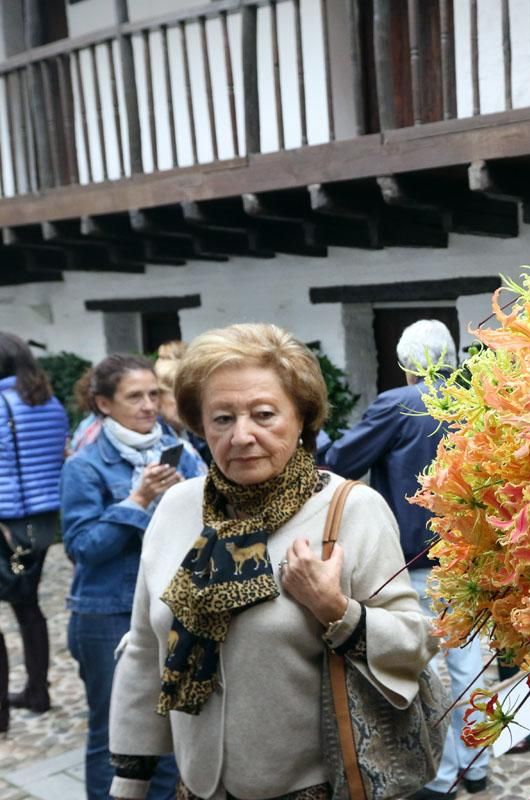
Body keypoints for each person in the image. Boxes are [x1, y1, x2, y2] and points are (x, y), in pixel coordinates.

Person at [108, 322, 437, 800]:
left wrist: (336, 610)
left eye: (264, 415)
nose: (242, 435)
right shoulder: (178, 507)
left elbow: (415, 642)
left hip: (310, 786)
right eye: (222, 418)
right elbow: (143, 649)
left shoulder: (353, 511)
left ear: (302, 417)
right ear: (201, 425)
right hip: (198, 787)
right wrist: (129, 781)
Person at [324, 319, 490, 799]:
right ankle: (475, 767)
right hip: (468, 552)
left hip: (416, 554)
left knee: (419, 662)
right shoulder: (471, 401)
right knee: (468, 664)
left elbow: (340, 462)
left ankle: (439, 778)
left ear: (404, 365)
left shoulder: (398, 404)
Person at [59, 354, 205, 799]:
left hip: (172, 609)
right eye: (134, 396)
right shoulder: (85, 466)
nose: (147, 405)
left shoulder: (180, 449)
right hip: (107, 615)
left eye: (153, 394)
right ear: (103, 404)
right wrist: (137, 500)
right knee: (115, 736)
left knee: (165, 734)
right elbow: (83, 548)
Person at [0, 333, 69, 731]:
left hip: (7, 523)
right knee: (27, 606)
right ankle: (37, 691)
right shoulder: (48, 402)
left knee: (19, 607)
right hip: (40, 522)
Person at [153, 341, 209, 465]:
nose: (187, 402)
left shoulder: (195, 431)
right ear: (158, 396)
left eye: (191, 395)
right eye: (176, 394)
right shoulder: (153, 438)